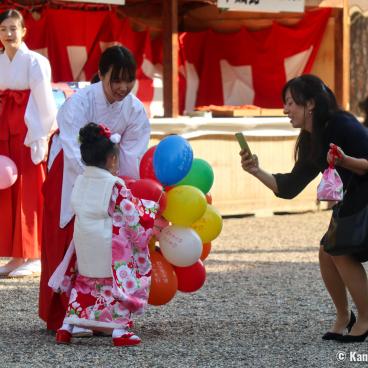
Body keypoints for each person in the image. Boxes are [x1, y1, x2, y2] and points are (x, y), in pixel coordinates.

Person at [239, 74, 368, 343]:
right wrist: (255, 170)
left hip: (363, 198)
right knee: (326, 252)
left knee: (341, 252)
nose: (285, 110)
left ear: (310, 104)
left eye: (290, 103)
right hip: (353, 201)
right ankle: (344, 316)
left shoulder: (341, 124)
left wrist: (346, 161)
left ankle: (366, 320)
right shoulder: (312, 138)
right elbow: (289, 187)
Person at [39, 45, 151, 332]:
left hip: (111, 176)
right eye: (116, 79)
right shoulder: (79, 103)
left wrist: (121, 191)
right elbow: (73, 148)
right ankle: (63, 314)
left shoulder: (135, 109)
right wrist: (100, 183)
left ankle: (103, 315)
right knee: (66, 233)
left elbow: (132, 155)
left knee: (108, 240)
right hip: (70, 169)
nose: (123, 87)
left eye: (129, 80)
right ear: (101, 74)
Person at [49, 123, 158, 346]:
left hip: (84, 244)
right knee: (117, 284)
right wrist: (150, 213)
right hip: (108, 249)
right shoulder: (114, 185)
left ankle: (66, 326)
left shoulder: (80, 180)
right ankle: (119, 331)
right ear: (112, 160)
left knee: (85, 284)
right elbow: (133, 217)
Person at [0, 9, 57, 277]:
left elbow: (45, 103)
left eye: (13, 28)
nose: (8, 34)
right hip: (3, 130)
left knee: (29, 190)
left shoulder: (36, 62)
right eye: (3, 29)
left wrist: (42, 134)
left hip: (27, 130)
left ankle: (34, 253)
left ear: (24, 31)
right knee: (7, 192)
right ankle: (14, 254)